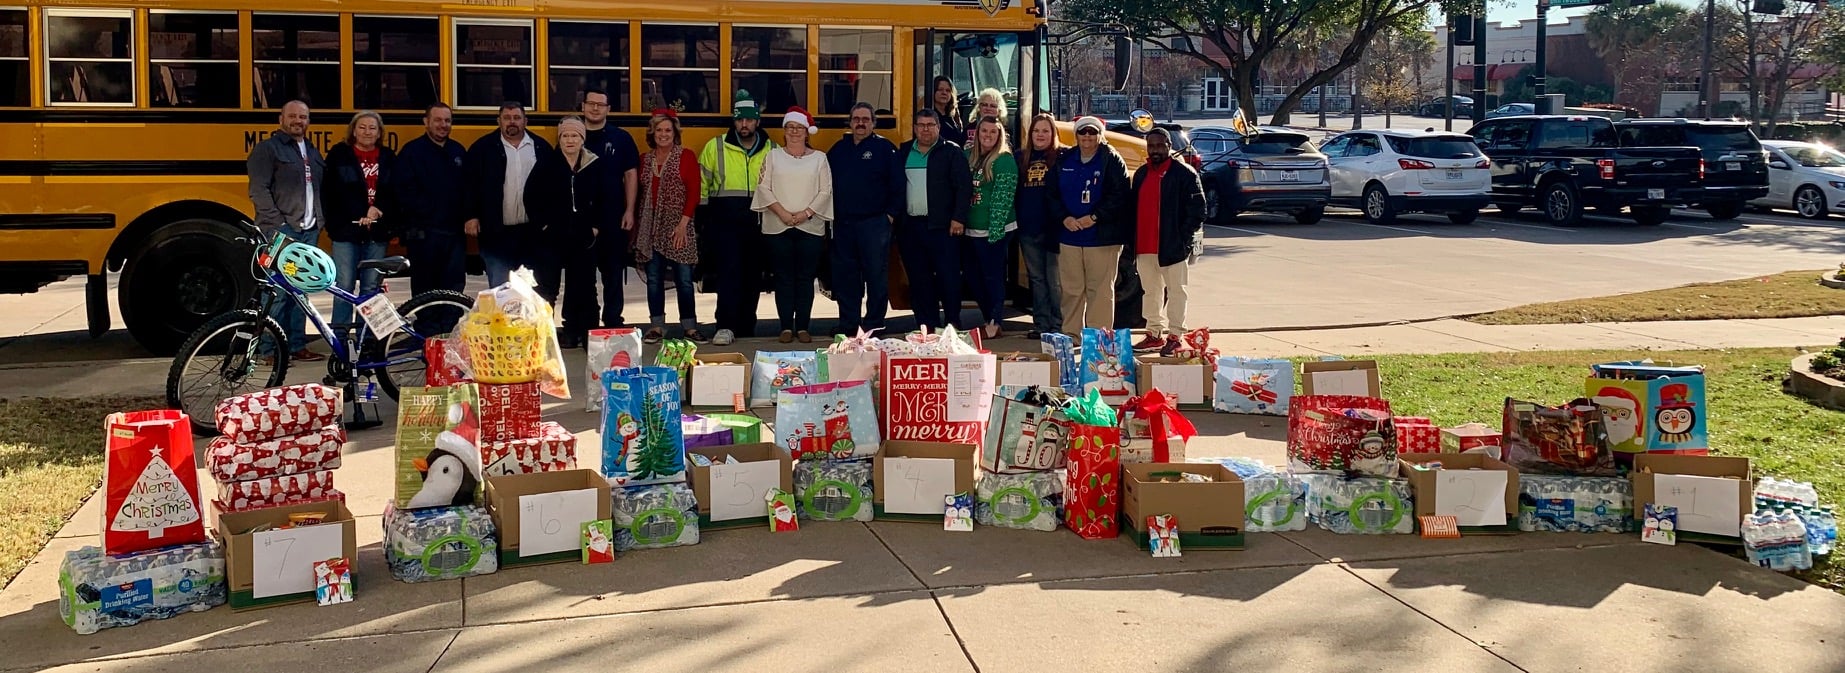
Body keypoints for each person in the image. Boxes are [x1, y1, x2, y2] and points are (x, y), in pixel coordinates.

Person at [247, 99, 326, 362]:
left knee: (300, 292)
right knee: (277, 292)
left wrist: (319, 220)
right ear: (281, 119)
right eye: (292, 116)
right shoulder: (266, 150)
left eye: (303, 117)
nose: (298, 121)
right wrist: (278, 225)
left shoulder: (312, 151)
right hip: (281, 233)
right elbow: (258, 190)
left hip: (308, 230)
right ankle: (268, 350)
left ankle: (296, 345)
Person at [527, 116, 616, 348]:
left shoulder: (594, 164)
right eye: (565, 136)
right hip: (552, 237)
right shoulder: (547, 163)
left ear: (582, 139)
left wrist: (596, 227)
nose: (569, 140)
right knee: (547, 287)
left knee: (583, 286)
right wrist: (543, 225)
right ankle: (542, 333)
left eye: (574, 136)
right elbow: (531, 196)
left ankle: (582, 331)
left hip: (583, 237)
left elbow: (607, 198)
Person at [751, 106, 835, 344]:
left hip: (809, 226)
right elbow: (764, 188)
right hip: (778, 226)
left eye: (799, 128)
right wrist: (784, 214)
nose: (795, 132)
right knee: (783, 278)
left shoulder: (820, 159)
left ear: (807, 132)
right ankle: (786, 326)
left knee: (805, 278)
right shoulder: (773, 156)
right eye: (790, 128)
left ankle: (804, 326)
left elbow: (825, 190)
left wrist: (805, 214)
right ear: (784, 131)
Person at [698, 90, 775, 345]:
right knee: (728, 275)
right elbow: (702, 184)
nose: (744, 124)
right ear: (734, 121)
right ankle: (725, 326)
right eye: (740, 120)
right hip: (725, 221)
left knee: (753, 276)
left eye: (749, 120)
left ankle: (746, 327)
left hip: (760, 220)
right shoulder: (716, 146)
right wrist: (703, 219)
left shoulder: (772, 148)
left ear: (757, 122)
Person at [826, 102, 903, 335]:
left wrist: (889, 216)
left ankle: (873, 324)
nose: (860, 123)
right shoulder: (838, 149)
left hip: (874, 224)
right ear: (850, 122)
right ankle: (848, 325)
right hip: (844, 224)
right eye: (856, 119)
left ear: (873, 123)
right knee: (846, 278)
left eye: (865, 119)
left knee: (876, 276)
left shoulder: (884, 149)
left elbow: (898, 185)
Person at [1127, 127, 1205, 353]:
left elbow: (1198, 210)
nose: (1156, 150)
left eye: (1160, 145)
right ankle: (1153, 333)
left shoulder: (1185, 174)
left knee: (1177, 291)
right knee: (1150, 292)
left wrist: (1183, 238)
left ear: (1169, 146)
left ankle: (1175, 335)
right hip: (1144, 246)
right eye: (1151, 146)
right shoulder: (1141, 174)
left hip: (1173, 246)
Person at [1052, 115, 1131, 334]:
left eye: (1092, 132)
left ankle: (1099, 340)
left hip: (1102, 237)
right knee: (1071, 290)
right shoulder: (1064, 159)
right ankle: (1072, 335)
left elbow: (1120, 195)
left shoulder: (1111, 159)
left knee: (1101, 292)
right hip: (1070, 236)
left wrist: (1095, 217)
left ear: (1100, 135)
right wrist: (1064, 218)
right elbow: (1051, 195)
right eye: (1083, 132)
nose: (1087, 136)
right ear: (1076, 134)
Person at [897, 108, 973, 331]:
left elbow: (964, 187)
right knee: (919, 280)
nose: (925, 129)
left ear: (938, 127)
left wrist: (958, 218)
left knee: (948, 277)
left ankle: (952, 323)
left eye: (930, 125)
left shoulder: (952, 152)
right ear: (914, 128)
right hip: (911, 228)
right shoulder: (903, 152)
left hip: (944, 228)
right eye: (921, 125)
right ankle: (925, 324)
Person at [463, 101, 554, 288]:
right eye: (507, 118)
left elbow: (552, 187)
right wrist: (471, 215)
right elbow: (469, 185)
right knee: (500, 289)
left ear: (525, 121)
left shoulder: (540, 148)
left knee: (530, 292)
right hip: (495, 233)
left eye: (517, 118)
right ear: (499, 121)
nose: (512, 122)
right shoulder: (482, 149)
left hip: (531, 233)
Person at [321, 110, 396, 336]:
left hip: (377, 233)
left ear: (379, 132)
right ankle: (341, 339)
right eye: (362, 127)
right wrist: (342, 223)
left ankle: (366, 339)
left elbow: (395, 191)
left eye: (372, 128)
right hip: (346, 232)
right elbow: (329, 193)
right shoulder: (338, 155)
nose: (367, 132)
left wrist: (379, 210)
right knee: (344, 286)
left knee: (371, 288)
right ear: (353, 130)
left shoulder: (388, 157)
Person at [637, 110, 705, 343]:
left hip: (679, 225)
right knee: (654, 278)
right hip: (651, 227)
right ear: (652, 133)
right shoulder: (645, 159)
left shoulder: (686, 156)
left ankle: (689, 327)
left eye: (668, 130)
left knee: (684, 279)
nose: (663, 134)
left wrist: (683, 224)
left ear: (675, 133)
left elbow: (694, 192)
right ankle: (656, 326)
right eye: (659, 130)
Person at [580, 88, 640, 333]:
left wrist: (629, 210)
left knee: (613, 273)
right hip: (582, 217)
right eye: (591, 104)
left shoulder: (621, 138)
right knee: (583, 275)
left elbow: (631, 175)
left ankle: (613, 321)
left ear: (608, 109)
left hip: (613, 216)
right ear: (582, 106)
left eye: (600, 105)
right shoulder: (573, 135)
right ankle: (587, 323)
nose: (595, 108)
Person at [394, 102, 467, 296]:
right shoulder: (411, 152)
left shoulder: (458, 151)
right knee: (425, 286)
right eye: (438, 120)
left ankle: (448, 325)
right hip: (424, 234)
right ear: (426, 122)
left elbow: (468, 189)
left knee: (454, 285)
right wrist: (427, 212)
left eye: (447, 121)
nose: (443, 125)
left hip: (454, 234)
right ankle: (426, 326)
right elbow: (403, 192)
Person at [961, 115, 1017, 338]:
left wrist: (995, 232)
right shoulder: (967, 156)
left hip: (995, 230)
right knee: (974, 277)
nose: (988, 136)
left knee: (992, 277)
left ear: (999, 135)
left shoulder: (1004, 160)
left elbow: (1003, 199)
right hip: (970, 230)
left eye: (993, 132)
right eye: (984, 131)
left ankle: (995, 322)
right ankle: (987, 317)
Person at [1014, 112, 1064, 339]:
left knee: (1055, 281)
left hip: (1054, 230)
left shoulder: (1062, 156)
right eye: (1036, 130)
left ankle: (1059, 324)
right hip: (1028, 228)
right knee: (1037, 279)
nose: (1040, 135)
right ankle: (1041, 324)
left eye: (1045, 130)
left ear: (1053, 133)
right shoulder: (1020, 157)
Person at [927, 76, 967, 145]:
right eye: (940, 89)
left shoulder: (952, 115)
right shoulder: (929, 116)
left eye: (948, 90)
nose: (944, 93)